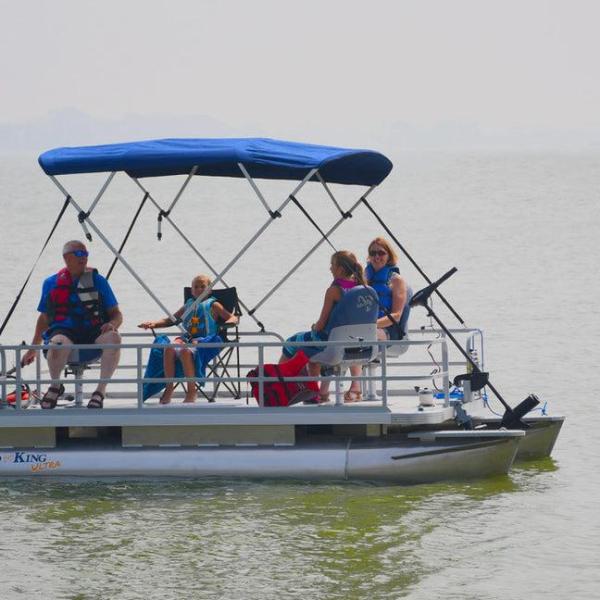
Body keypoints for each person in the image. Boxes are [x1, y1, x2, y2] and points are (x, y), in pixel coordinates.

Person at [22, 240, 123, 409]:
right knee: (58, 343)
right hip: (64, 330)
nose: (83, 258)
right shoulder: (50, 283)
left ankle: (100, 391)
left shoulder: (98, 281)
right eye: (78, 254)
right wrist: (33, 347)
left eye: (85, 254)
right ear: (66, 258)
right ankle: (55, 386)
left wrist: (113, 324)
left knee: (114, 338)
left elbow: (117, 314)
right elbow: (44, 318)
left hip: (93, 330)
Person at [280, 250, 366, 403]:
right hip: (353, 343)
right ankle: (315, 391)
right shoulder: (361, 289)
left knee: (291, 343)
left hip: (329, 341)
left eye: (332, 265)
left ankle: (279, 386)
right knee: (310, 347)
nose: (330, 268)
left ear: (340, 269)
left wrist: (314, 327)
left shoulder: (334, 291)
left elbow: (321, 324)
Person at [138, 274, 237, 404]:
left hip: (206, 340)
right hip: (187, 339)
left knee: (185, 351)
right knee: (169, 349)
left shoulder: (214, 305)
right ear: (191, 290)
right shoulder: (188, 305)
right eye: (196, 286)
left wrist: (228, 323)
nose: (199, 289)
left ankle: (191, 391)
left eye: (203, 286)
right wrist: (154, 324)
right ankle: (169, 388)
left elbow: (232, 317)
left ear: (209, 290)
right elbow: (171, 320)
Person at [365, 236, 411, 341]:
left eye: (381, 253)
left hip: (389, 330)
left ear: (388, 256)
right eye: (373, 253)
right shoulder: (364, 278)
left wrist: (371, 326)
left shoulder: (396, 280)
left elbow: (396, 315)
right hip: (365, 328)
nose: (376, 256)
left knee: (367, 336)